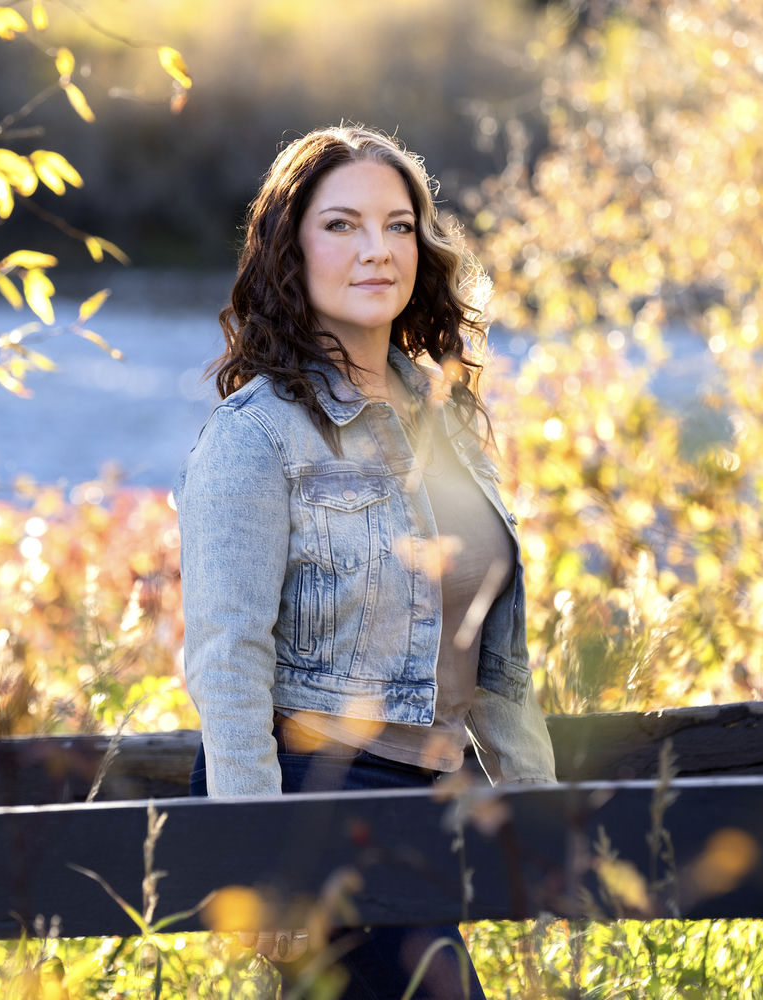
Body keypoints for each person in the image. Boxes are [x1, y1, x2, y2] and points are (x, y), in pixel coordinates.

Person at [175, 124, 556, 1000]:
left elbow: (489, 654)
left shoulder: (449, 421)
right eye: (342, 225)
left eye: (398, 225)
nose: (377, 250)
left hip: (434, 797)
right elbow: (227, 656)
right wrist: (255, 848)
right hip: (317, 796)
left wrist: (541, 810)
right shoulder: (256, 436)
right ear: (289, 249)